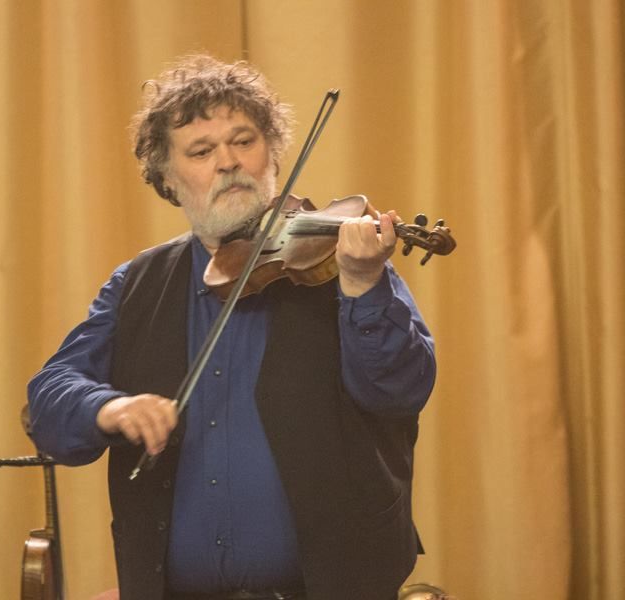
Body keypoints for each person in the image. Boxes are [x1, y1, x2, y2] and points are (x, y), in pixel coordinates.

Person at [28, 54, 436, 600]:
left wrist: (363, 283)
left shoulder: (340, 263)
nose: (228, 161)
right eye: (201, 151)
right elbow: (48, 400)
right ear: (168, 179)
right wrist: (110, 407)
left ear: (273, 155)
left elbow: (401, 391)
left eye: (244, 141)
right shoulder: (137, 284)